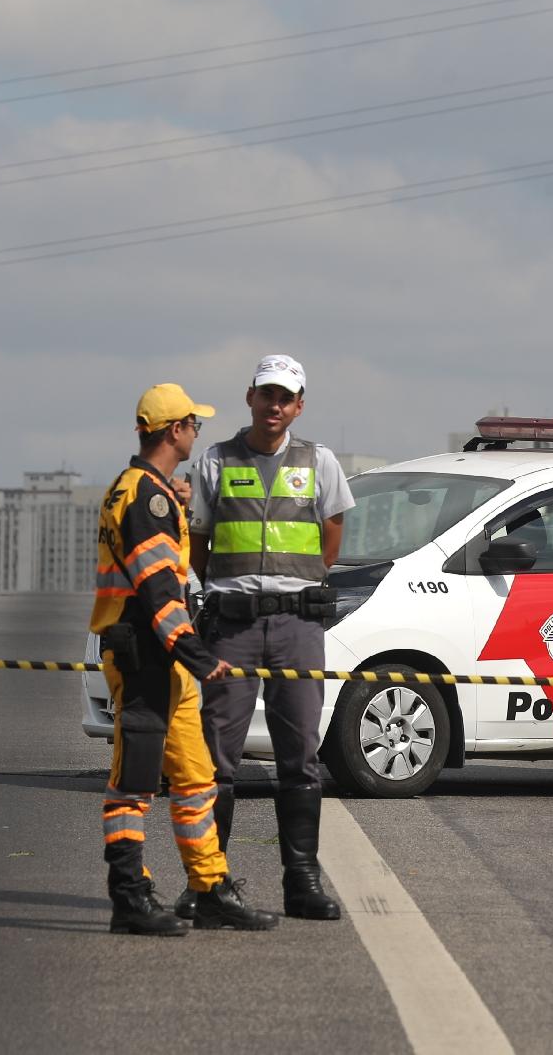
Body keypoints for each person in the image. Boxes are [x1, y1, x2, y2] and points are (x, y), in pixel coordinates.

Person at [91, 382, 280, 935]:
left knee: (196, 780)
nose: (198, 431)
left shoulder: (143, 490)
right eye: (194, 423)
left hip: (163, 661)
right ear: (175, 430)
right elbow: (156, 589)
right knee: (133, 785)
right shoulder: (144, 497)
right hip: (146, 657)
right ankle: (129, 898)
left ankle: (210, 887)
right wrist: (195, 653)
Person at [181, 354, 354, 922]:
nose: (274, 406)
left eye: (286, 398)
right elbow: (199, 544)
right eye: (266, 395)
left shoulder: (319, 462)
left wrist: (293, 586)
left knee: (300, 755)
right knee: (216, 756)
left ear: (299, 406)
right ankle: (209, 883)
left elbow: (331, 539)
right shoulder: (215, 461)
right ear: (249, 398)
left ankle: (301, 882)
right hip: (231, 623)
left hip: (297, 625)